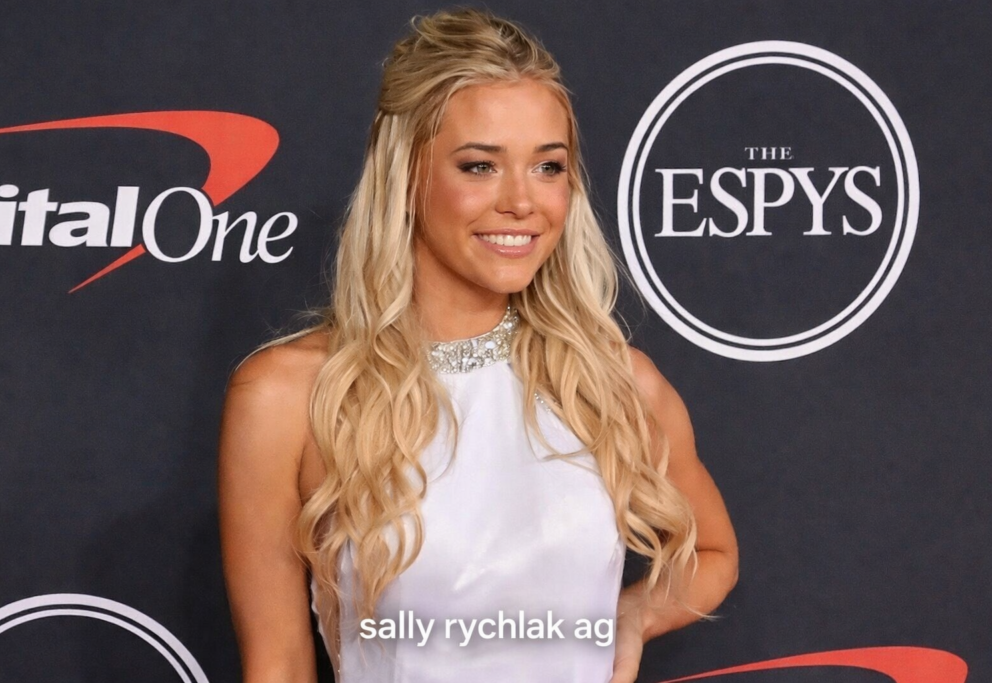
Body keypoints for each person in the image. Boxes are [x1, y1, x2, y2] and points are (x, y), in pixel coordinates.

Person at [217, 8, 738, 683]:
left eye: (548, 166)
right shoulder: (289, 394)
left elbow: (713, 553)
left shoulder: (610, 380)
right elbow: (279, 666)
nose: (522, 201)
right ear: (406, 176)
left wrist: (632, 616)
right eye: (480, 166)